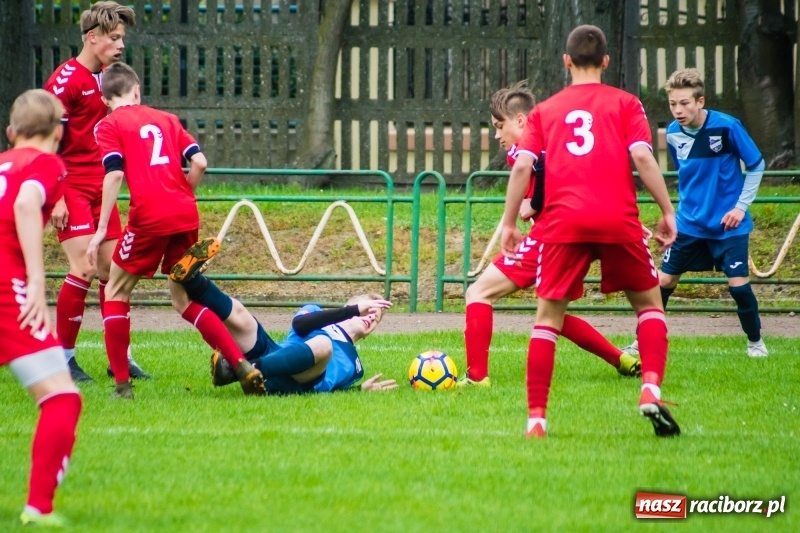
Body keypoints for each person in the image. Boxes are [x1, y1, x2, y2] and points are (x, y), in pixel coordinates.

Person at [500, 25, 680, 439]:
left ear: (566, 62)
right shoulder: (626, 103)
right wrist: (668, 210)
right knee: (650, 308)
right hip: (618, 218)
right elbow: (642, 156)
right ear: (605, 61)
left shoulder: (546, 110)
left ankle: (537, 421)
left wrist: (509, 222)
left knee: (547, 320)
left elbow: (524, 166)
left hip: (563, 223)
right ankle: (650, 388)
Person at [86, 62, 265, 399]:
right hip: (185, 212)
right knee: (182, 298)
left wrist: (99, 231)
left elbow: (113, 174)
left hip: (149, 215)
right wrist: (182, 194)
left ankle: (122, 387)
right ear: (137, 90)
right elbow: (200, 163)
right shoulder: (167, 120)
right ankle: (239, 362)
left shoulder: (108, 125)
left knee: (116, 291)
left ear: (104, 97)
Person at [462, 81, 641, 387]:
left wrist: (537, 202)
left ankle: (477, 378)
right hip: (569, 238)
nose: (496, 135)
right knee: (552, 316)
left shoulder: (530, 146)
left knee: (478, 293)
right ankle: (621, 359)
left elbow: (543, 163)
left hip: (547, 239)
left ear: (520, 121)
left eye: (498, 126)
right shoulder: (552, 140)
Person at [622, 68, 768, 358]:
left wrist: (740, 207)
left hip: (729, 227)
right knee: (662, 283)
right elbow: (686, 173)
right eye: (673, 104)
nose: (678, 110)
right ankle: (641, 342)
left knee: (739, 288)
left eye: (685, 103)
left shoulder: (727, 127)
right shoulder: (673, 133)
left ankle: (756, 343)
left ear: (701, 101)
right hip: (688, 225)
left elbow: (756, 165)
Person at [44, 1, 151, 382]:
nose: (121, 45)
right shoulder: (65, 79)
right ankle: (64, 358)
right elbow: (45, 138)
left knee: (115, 270)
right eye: (115, 38)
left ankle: (119, 359)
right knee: (85, 267)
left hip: (101, 186)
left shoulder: (110, 79)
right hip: (69, 185)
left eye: (122, 38)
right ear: (93, 38)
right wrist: (53, 194)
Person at [0, 90, 83, 526]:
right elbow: (26, 203)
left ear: (11, 132)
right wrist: (35, 280)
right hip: (6, 289)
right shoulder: (47, 163)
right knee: (62, 398)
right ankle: (38, 507)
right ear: (57, 132)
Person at [169, 239, 397, 394]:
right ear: (350, 306)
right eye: (368, 310)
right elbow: (300, 324)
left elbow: (333, 387)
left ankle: (245, 369)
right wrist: (351, 311)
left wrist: (360, 390)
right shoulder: (315, 312)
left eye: (376, 318)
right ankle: (190, 278)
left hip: (300, 382)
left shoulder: (357, 366)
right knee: (241, 315)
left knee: (323, 345)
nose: (370, 317)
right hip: (275, 355)